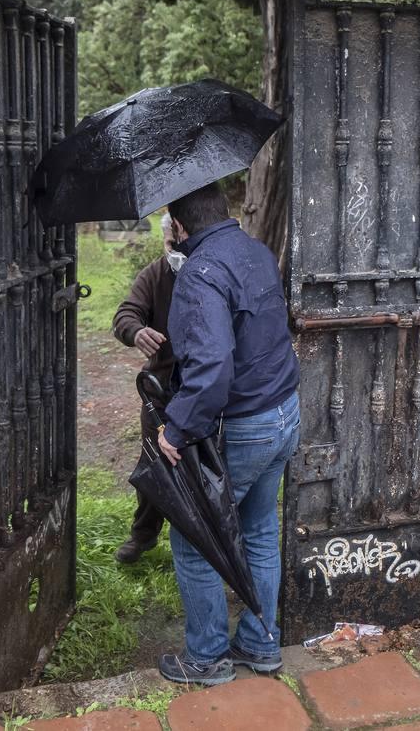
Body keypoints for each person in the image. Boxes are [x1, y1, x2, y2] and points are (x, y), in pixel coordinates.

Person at [156, 182, 300, 686]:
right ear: (222, 210)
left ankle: (208, 657)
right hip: (284, 412)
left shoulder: (200, 273)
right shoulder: (255, 250)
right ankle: (261, 647)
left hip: (245, 426)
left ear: (178, 225)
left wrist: (177, 428)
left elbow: (213, 364)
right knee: (259, 528)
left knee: (195, 536)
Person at [112, 214, 185, 564]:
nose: (174, 250)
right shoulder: (156, 274)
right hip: (161, 391)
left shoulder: (216, 269)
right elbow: (125, 314)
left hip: (209, 391)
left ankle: (205, 535)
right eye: (169, 244)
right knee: (154, 466)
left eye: (179, 242)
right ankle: (143, 536)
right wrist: (135, 331)